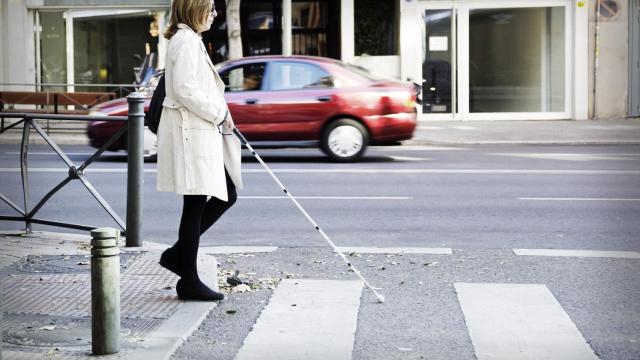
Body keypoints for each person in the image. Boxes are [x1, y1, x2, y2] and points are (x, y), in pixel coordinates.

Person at [156, 0, 242, 301]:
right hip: (191, 133)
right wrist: (219, 113)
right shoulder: (186, 42)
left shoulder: (188, 40)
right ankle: (187, 277)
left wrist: (220, 113)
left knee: (221, 194)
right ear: (194, 9)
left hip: (195, 131)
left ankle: (180, 257)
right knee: (198, 201)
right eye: (211, 8)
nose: (215, 14)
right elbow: (185, 90)